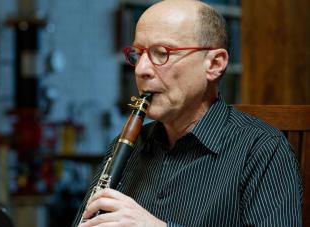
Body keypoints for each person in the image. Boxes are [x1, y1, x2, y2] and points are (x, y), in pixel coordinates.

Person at [72, 0, 303, 226]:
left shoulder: (263, 149)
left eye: (161, 53)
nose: (141, 70)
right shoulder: (126, 148)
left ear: (214, 63)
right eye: (137, 54)